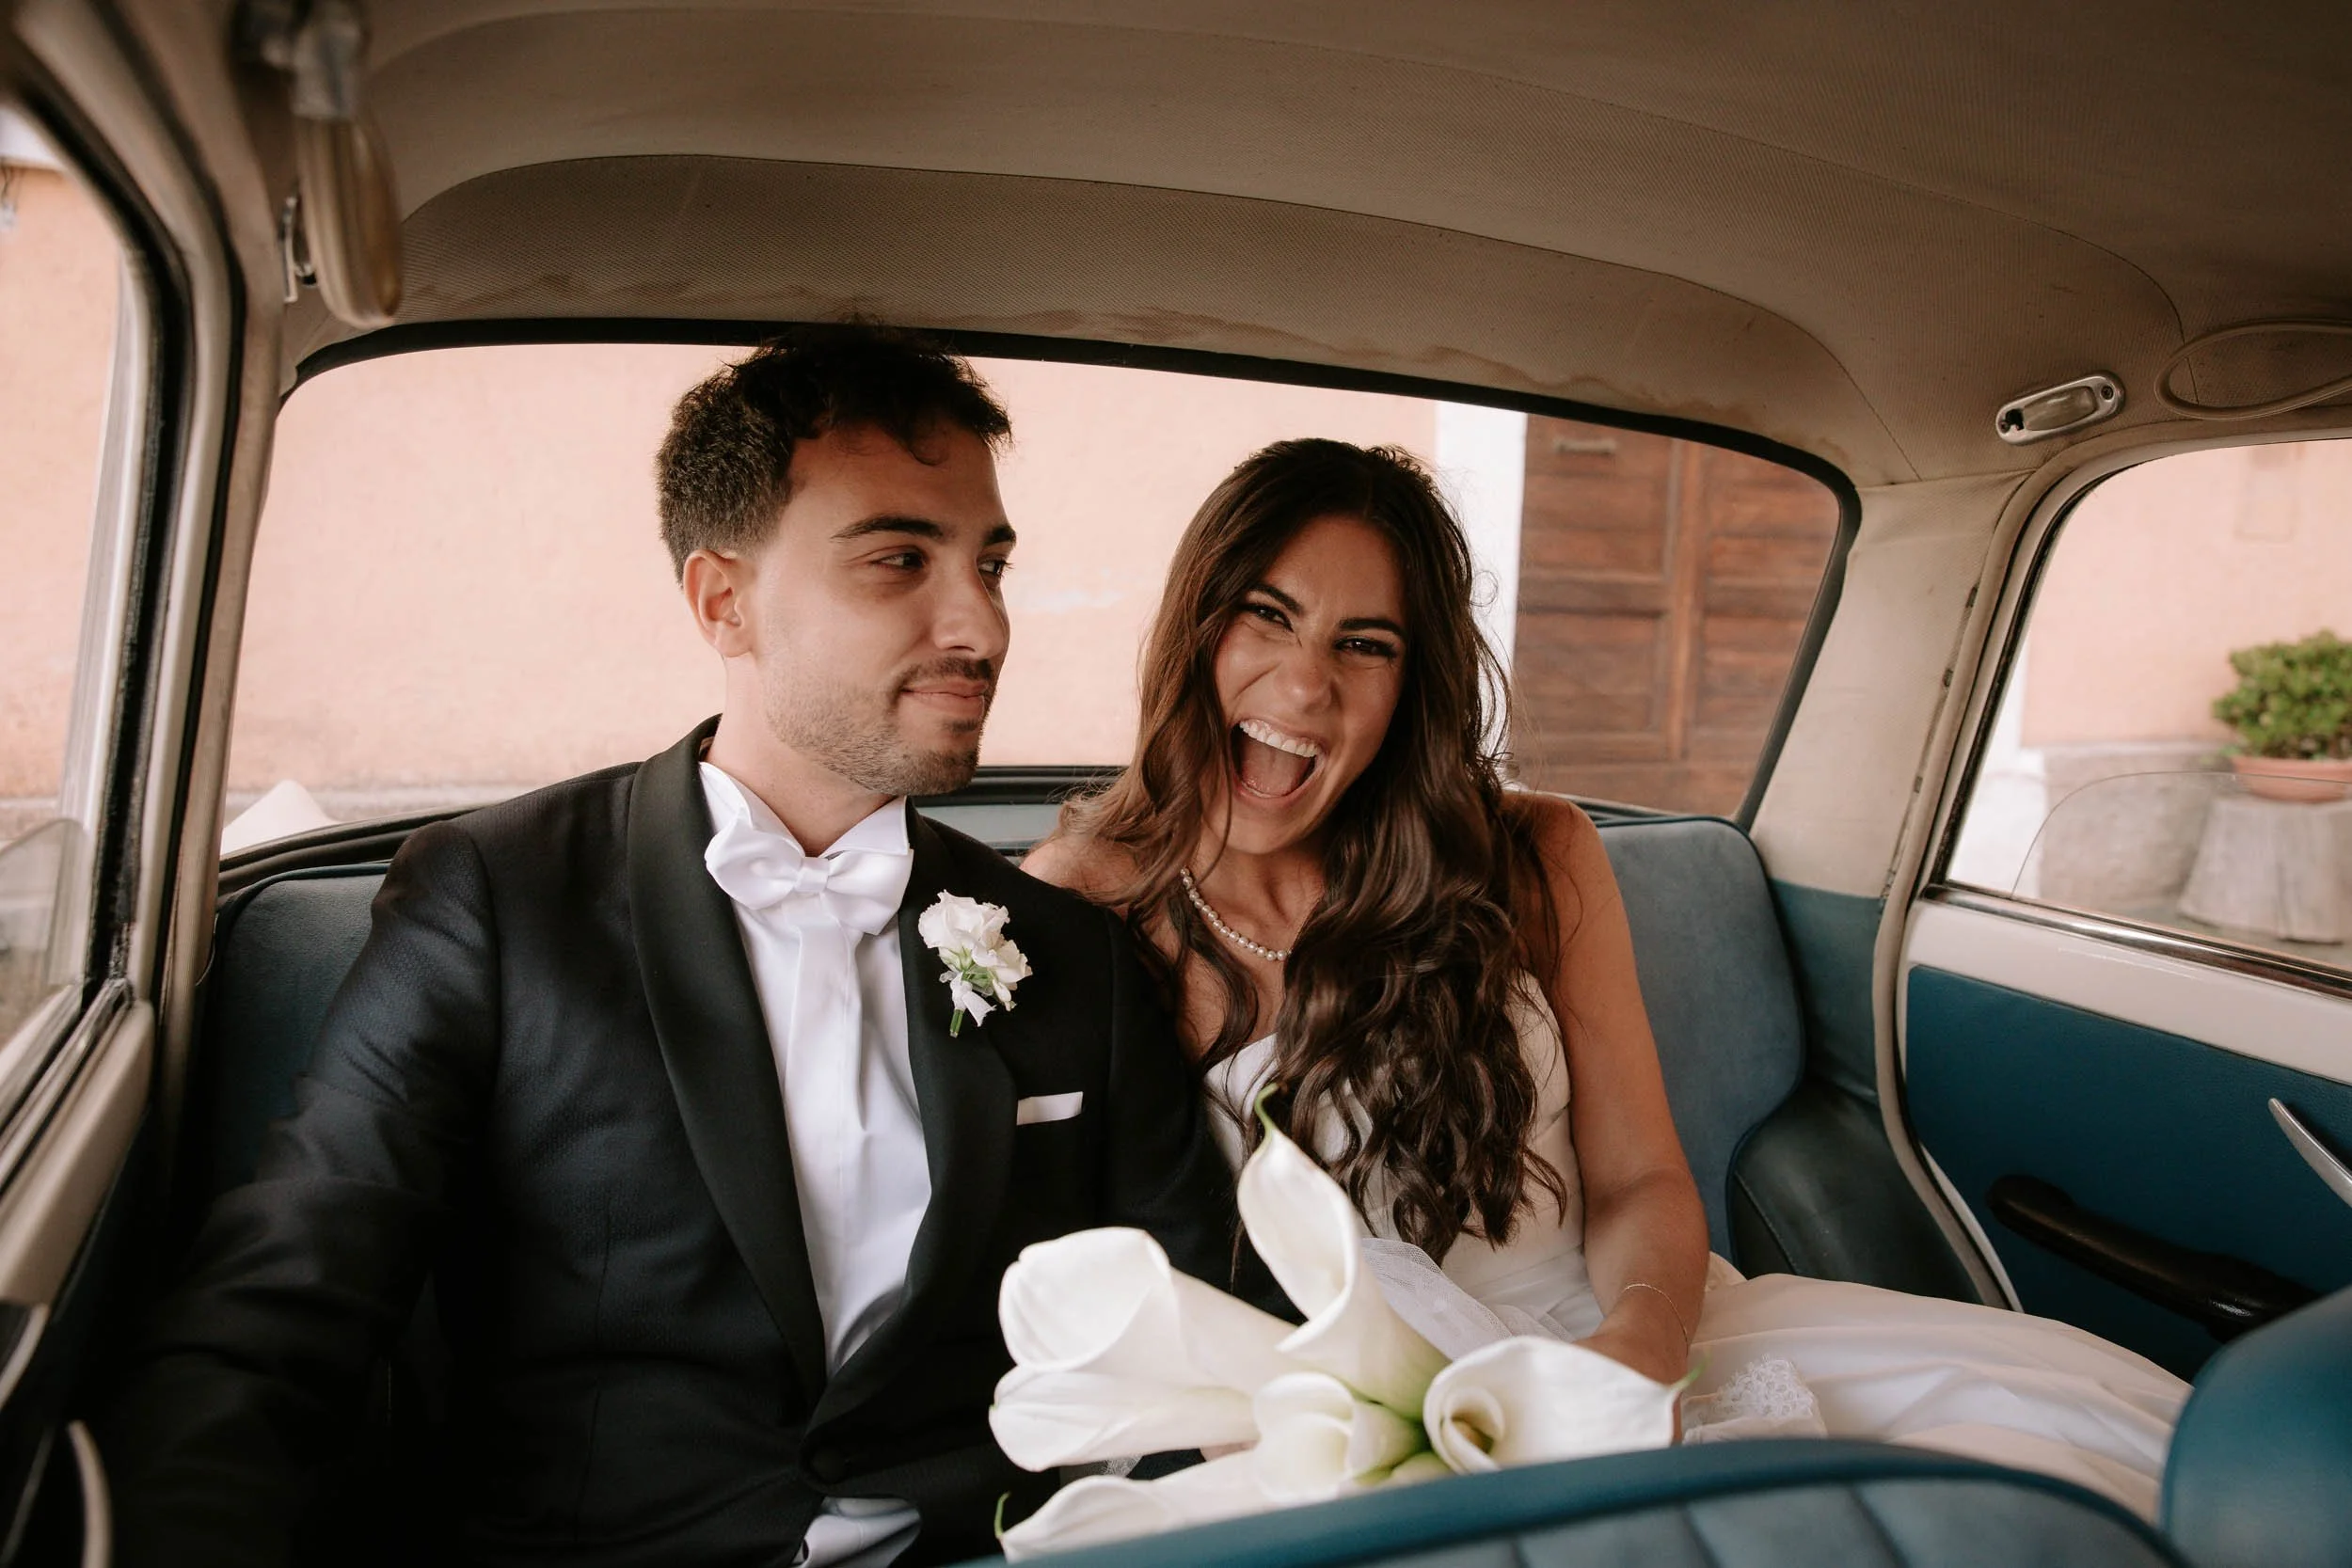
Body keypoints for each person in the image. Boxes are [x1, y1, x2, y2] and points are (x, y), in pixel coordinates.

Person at [106, 326, 1239, 1567]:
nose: (979, 623)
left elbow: (1196, 1344)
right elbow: (280, 1314)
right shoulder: (497, 900)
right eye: (900, 559)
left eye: (991, 562)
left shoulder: (1065, 950)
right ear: (723, 601)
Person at [1024, 437, 2189, 1519]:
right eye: (1265, 617)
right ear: (1195, 626)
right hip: (1322, 1432)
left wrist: (1639, 1352)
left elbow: (1638, 1177)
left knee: (2056, 1482)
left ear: (1410, 685)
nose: (1304, 683)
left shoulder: (1533, 855)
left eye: (1363, 644)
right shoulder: (1077, 901)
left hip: (1631, 1331)